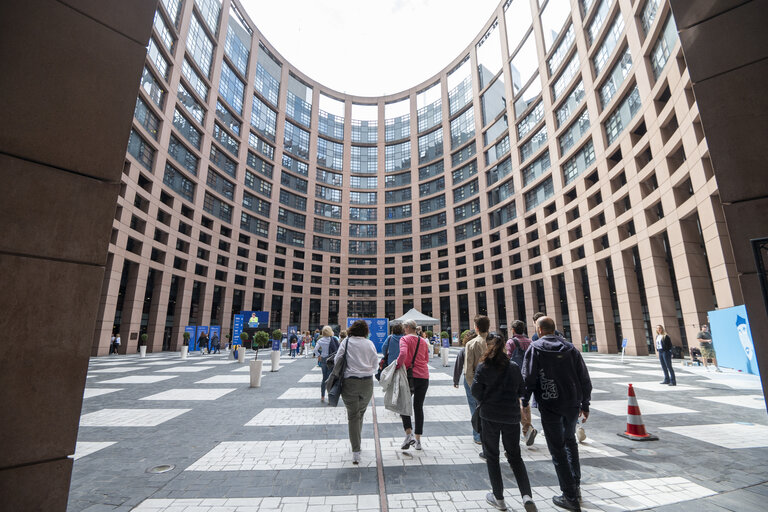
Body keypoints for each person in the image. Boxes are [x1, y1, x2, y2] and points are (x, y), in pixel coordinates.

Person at [522, 316, 592, 511]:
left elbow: (528, 377)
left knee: (557, 449)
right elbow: (584, 378)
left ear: (540, 329)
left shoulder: (535, 348)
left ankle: (569, 496)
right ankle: (575, 487)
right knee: (570, 442)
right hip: (571, 404)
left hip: (549, 404)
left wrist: (524, 400)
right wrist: (585, 404)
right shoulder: (570, 348)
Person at [472, 332, 537, 512]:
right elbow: (522, 390)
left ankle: (499, 498)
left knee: (492, 457)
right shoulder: (513, 367)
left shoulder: (483, 367)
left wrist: (486, 398)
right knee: (515, 457)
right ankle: (526, 496)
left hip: (489, 416)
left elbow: (475, 391)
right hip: (510, 417)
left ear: (488, 346)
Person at [334, 319, 379, 465]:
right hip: (367, 382)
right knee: (360, 413)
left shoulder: (346, 342)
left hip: (350, 383)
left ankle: (356, 451)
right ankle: (357, 445)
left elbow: (337, 360)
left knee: (353, 415)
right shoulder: (369, 343)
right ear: (366, 331)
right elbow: (375, 364)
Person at [396, 319, 430, 451]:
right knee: (418, 407)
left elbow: (403, 354)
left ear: (409, 327)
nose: (404, 330)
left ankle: (408, 434)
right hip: (423, 376)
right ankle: (418, 440)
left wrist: (398, 365)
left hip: (410, 377)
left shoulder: (404, 339)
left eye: (405, 327)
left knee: (403, 404)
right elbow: (426, 359)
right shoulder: (423, 341)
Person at [507, 319, 537, 447]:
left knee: (516, 402)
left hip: (514, 377)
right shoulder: (530, 342)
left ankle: (526, 429)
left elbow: (507, 358)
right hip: (527, 375)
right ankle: (526, 430)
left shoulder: (511, 342)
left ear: (513, 330)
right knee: (525, 403)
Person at [465, 315, 490, 449]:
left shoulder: (471, 343)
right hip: (494, 382)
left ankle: (478, 435)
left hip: (476, 381)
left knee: (475, 409)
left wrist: (472, 387)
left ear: (476, 327)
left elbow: (468, 369)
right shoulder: (496, 342)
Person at [314, 326, 339, 402]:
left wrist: (318, 355)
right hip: (331, 359)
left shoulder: (320, 340)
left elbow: (315, 350)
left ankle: (322, 396)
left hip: (324, 359)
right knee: (330, 378)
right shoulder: (333, 339)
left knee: (324, 378)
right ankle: (330, 397)